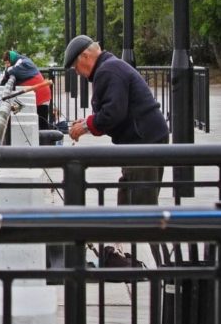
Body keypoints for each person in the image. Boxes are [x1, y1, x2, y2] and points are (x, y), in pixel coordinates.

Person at [63, 35, 169, 205]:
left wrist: (86, 126)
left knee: (141, 201)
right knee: (128, 195)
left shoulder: (107, 70)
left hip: (143, 141)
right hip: (144, 138)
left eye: (76, 66)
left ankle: (142, 223)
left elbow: (113, 113)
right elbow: (115, 109)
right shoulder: (109, 66)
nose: (77, 72)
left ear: (85, 56)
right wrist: (88, 122)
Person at [0, 49, 54, 129]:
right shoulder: (20, 62)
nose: (7, 65)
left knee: (42, 124)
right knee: (14, 112)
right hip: (30, 95)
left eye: (7, 63)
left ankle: (45, 136)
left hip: (41, 95)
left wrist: (6, 73)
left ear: (11, 59)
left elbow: (12, 72)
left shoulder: (23, 62)